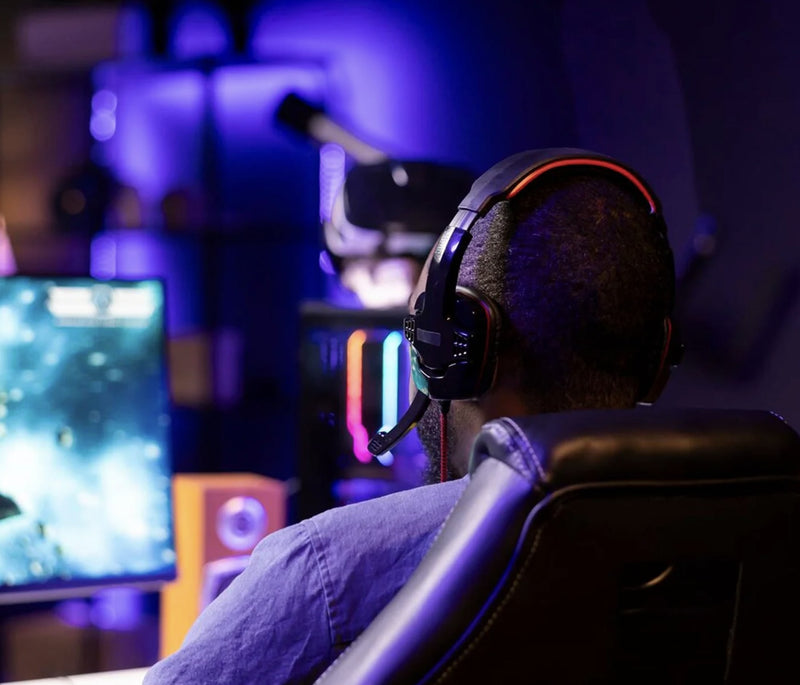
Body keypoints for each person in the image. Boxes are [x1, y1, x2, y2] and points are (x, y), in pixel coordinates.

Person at [144, 149, 676, 684]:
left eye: (420, 331)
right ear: (657, 360)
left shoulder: (325, 571)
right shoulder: (708, 529)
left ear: (455, 354)